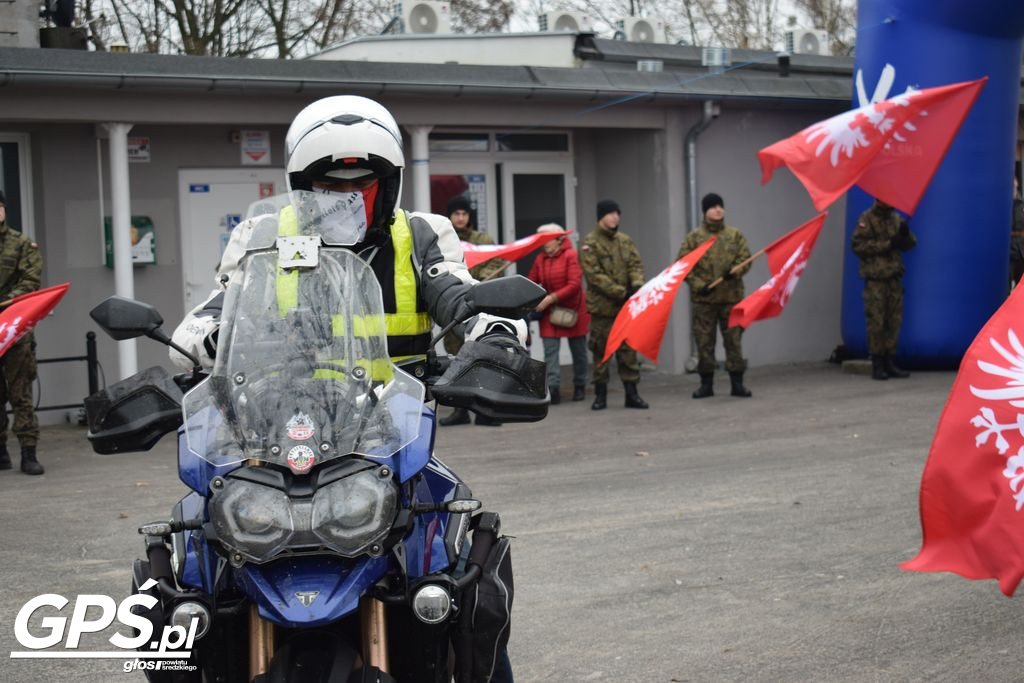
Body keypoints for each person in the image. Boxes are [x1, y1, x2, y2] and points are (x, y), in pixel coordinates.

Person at [170, 96, 527, 680]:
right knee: (190, 557)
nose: (347, 195)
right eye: (330, 184)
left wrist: (491, 329)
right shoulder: (264, 234)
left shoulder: (421, 233)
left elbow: (454, 291)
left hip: (390, 435)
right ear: (301, 185)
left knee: (462, 562)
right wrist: (197, 341)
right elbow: (219, 308)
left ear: (388, 184)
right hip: (274, 432)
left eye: (363, 183)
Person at [439, 195, 507, 427]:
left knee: (485, 359)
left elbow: (496, 265)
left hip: (482, 309)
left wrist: (475, 282)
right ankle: (461, 411)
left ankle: (486, 411)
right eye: (456, 213)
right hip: (455, 310)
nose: (460, 218)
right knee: (459, 362)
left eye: (464, 214)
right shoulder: (443, 240)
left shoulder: (482, 239)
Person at [678, 193, 753, 399]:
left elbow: (746, 259)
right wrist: (699, 285)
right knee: (704, 342)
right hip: (705, 302)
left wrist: (734, 272)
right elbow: (683, 266)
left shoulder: (734, 235)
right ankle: (706, 384)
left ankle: (737, 383)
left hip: (731, 299)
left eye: (720, 206)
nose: (718, 210)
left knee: (734, 342)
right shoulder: (694, 238)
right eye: (713, 207)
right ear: (705, 211)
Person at [579, 199, 649, 411]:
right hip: (603, 309)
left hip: (625, 309)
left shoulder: (625, 241)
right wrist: (620, 292)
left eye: (617, 213)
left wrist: (636, 285)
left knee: (628, 351)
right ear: (601, 217)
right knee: (601, 351)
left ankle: (632, 394)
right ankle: (600, 396)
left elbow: (636, 265)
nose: (615, 217)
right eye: (610, 214)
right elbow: (594, 276)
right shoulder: (590, 243)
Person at [0, 190, 44, 475]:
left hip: (14, 332)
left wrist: (5, 302)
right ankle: (1, 452)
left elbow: (31, 280)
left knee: (21, 394)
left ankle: (29, 453)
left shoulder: (21, 243)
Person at [851, 198, 916, 380]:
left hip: (894, 276)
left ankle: (890, 360)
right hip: (876, 278)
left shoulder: (896, 219)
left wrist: (904, 235)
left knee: (893, 320)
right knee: (876, 321)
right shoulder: (867, 218)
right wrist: (888, 244)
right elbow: (858, 246)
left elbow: (910, 245)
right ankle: (877, 362)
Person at [526, 224, 590, 404]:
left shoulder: (571, 255)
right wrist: (531, 295)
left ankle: (580, 385)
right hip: (550, 312)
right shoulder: (540, 259)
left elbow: (574, 284)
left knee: (578, 352)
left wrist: (551, 298)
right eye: (541, 240)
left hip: (574, 310)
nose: (544, 243)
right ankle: (553, 389)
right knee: (550, 351)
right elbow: (531, 280)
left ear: (559, 239)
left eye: (547, 239)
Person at [1011, 175, 1024, 289]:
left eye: (1014, 183)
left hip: (1021, 250)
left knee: (1020, 285)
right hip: (1009, 251)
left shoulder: (1021, 204)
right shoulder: (1003, 204)